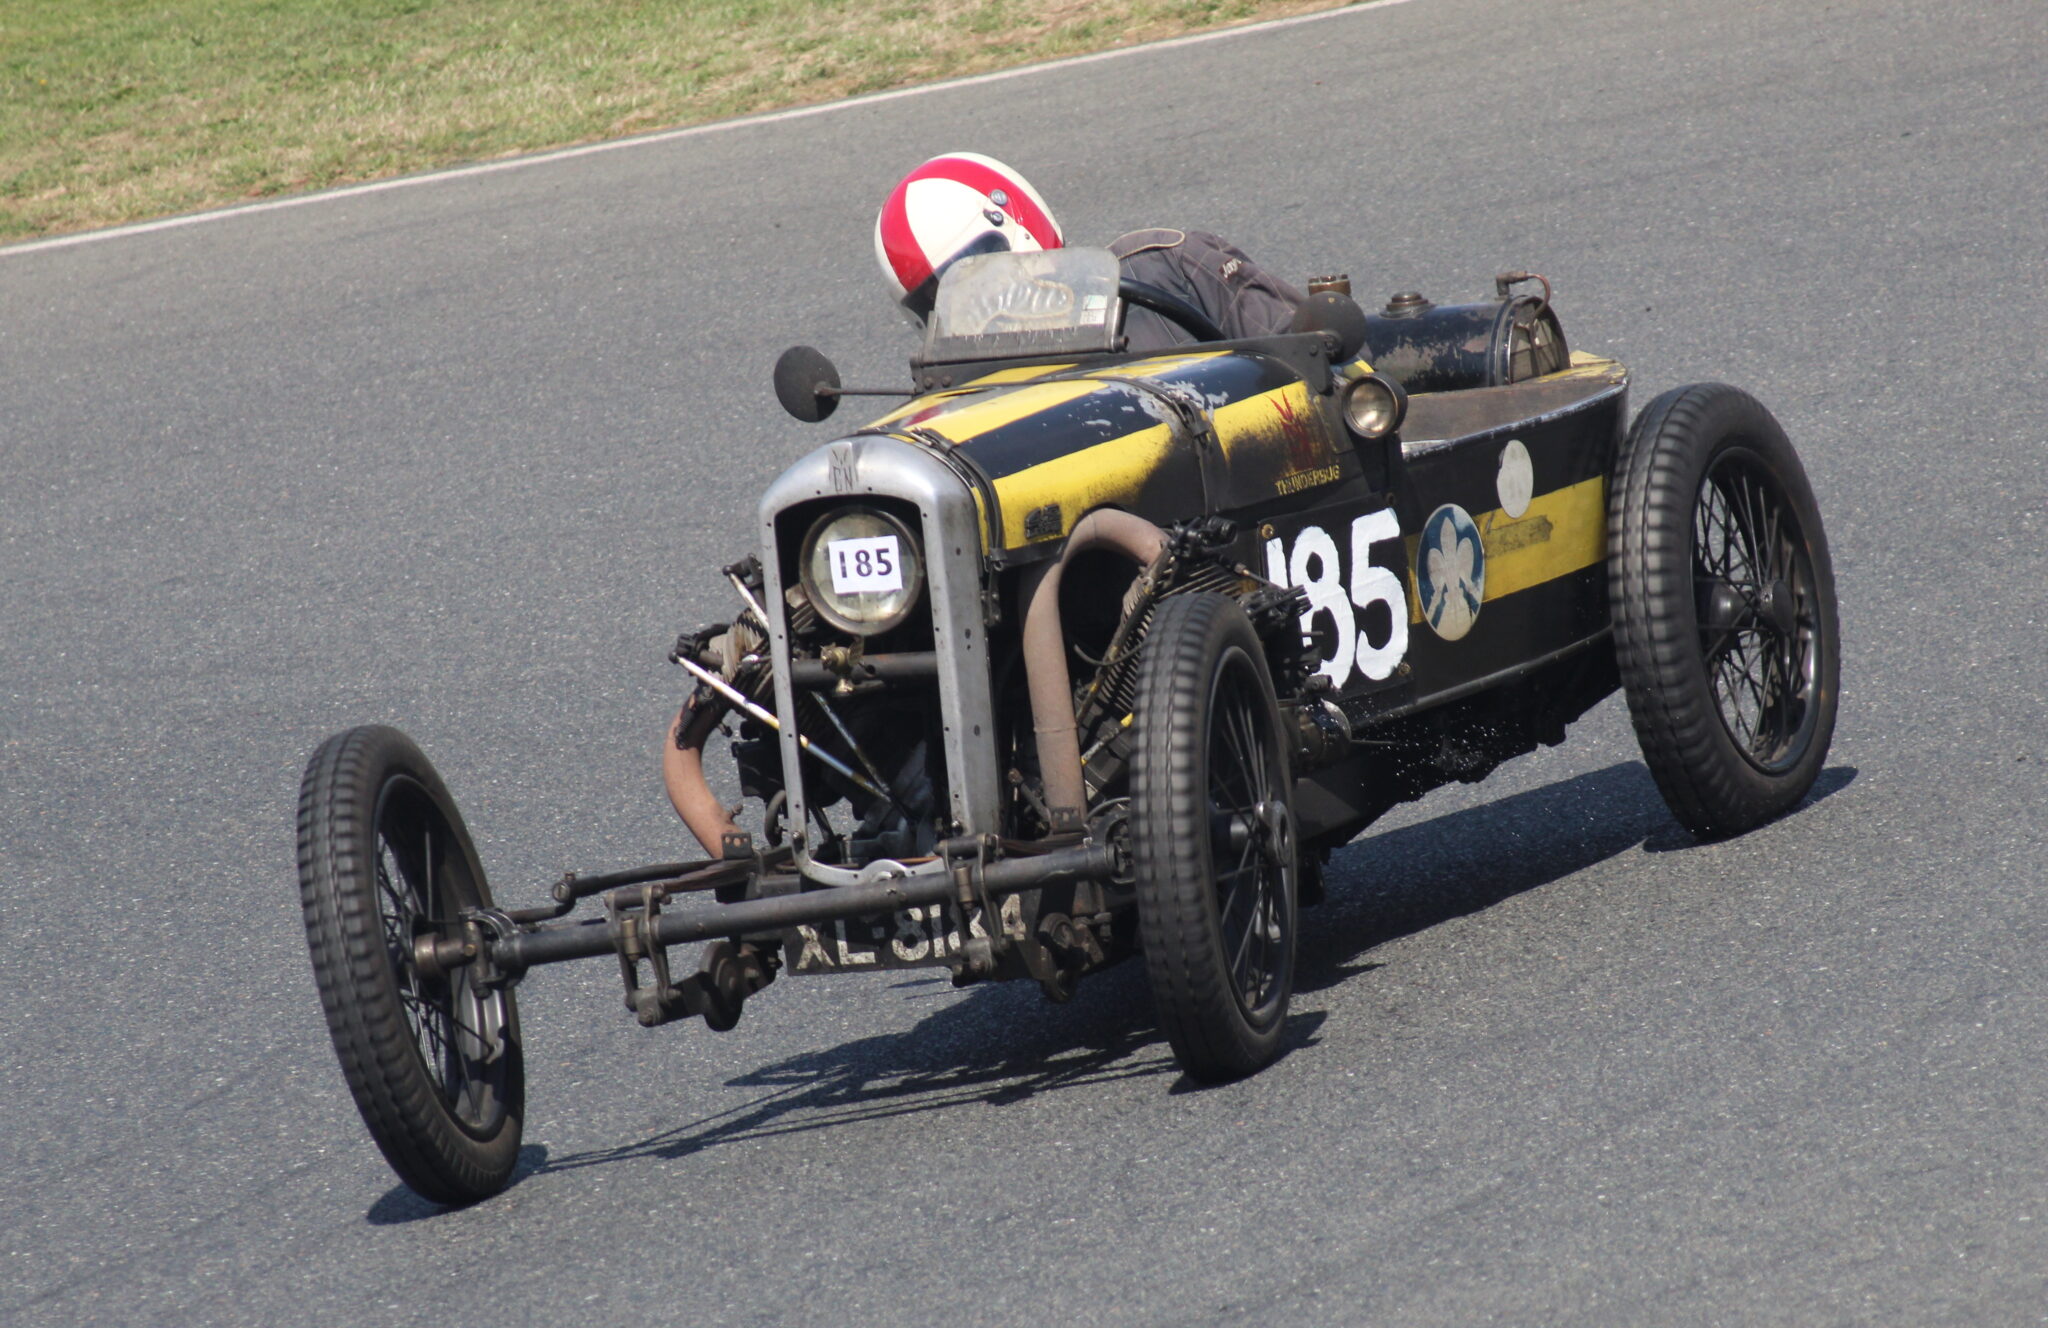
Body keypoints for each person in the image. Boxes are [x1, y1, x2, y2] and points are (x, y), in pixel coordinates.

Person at [873, 152, 1303, 352]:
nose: (979, 302)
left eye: (978, 272)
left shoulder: (1169, 266)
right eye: (940, 298)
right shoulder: (956, 406)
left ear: (1017, 228)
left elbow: (1321, 356)